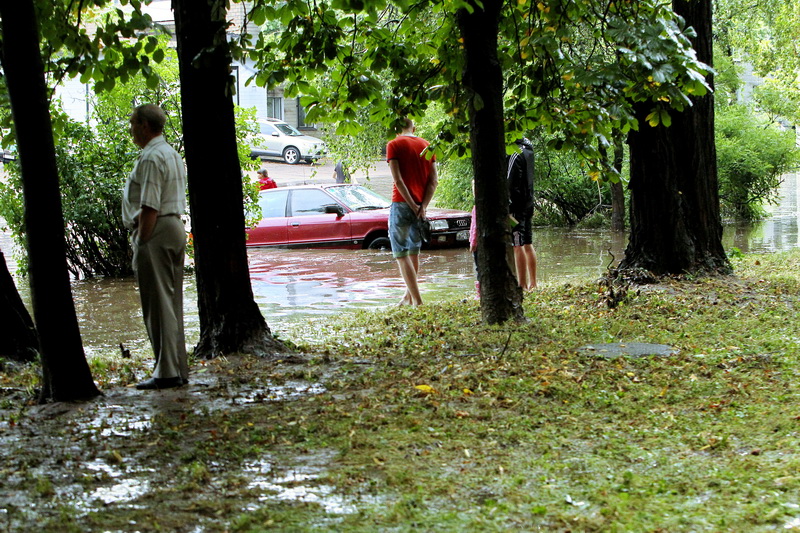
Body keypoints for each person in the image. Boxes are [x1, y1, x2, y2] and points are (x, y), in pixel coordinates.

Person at [123, 104, 189, 390]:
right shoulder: (171, 153)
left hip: (156, 230)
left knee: (158, 305)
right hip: (173, 227)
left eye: (133, 123)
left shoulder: (151, 157)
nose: (131, 130)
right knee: (171, 303)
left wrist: (141, 239)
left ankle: (166, 373)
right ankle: (176, 367)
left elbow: (150, 205)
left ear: (144, 125)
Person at [386, 118, 438, 306]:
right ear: (413, 128)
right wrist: (422, 206)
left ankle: (417, 301)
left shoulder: (393, 145)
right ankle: (407, 297)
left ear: (396, 129)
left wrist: (412, 205)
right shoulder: (427, 145)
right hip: (420, 204)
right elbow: (433, 181)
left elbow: (398, 181)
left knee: (400, 253)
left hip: (401, 204)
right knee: (414, 251)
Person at [507, 137, 538, 290]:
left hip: (516, 205)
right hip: (528, 202)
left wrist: (507, 206)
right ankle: (533, 283)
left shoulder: (514, 152)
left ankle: (522, 285)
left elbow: (509, 181)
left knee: (517, 244)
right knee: (527, 242)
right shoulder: (528, 147)